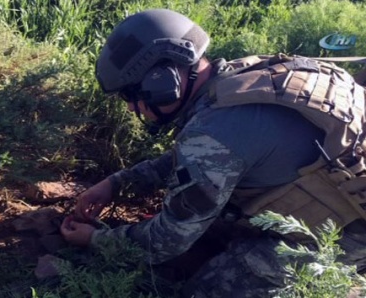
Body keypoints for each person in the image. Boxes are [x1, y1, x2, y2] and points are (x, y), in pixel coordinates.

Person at [59, 8, 366, 297]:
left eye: (131, 94)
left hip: (348, 236)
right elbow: (200, 159)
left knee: (207, 290)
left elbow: (166, 242)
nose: (129, 106)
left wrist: (95, 240)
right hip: (340, 199)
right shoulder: (244, 77)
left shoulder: (215, 131)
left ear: (163, 84)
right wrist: (117, 182)